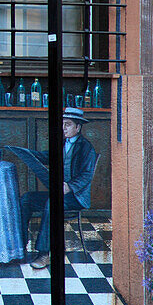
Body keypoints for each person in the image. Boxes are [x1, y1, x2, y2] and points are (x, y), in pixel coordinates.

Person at [17, 106, 99, 269]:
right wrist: (26, 153)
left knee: (51, 204)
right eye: (62, 124)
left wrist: (69, 186)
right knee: (26, 199)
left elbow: (86, 175)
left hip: (76, 197)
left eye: (67, 124)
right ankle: (20, 245)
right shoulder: (62, 143)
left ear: (78, 127)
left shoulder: (86, 148)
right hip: (59, 193)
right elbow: (47, 156)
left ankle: (44, 253)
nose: (63, 128)